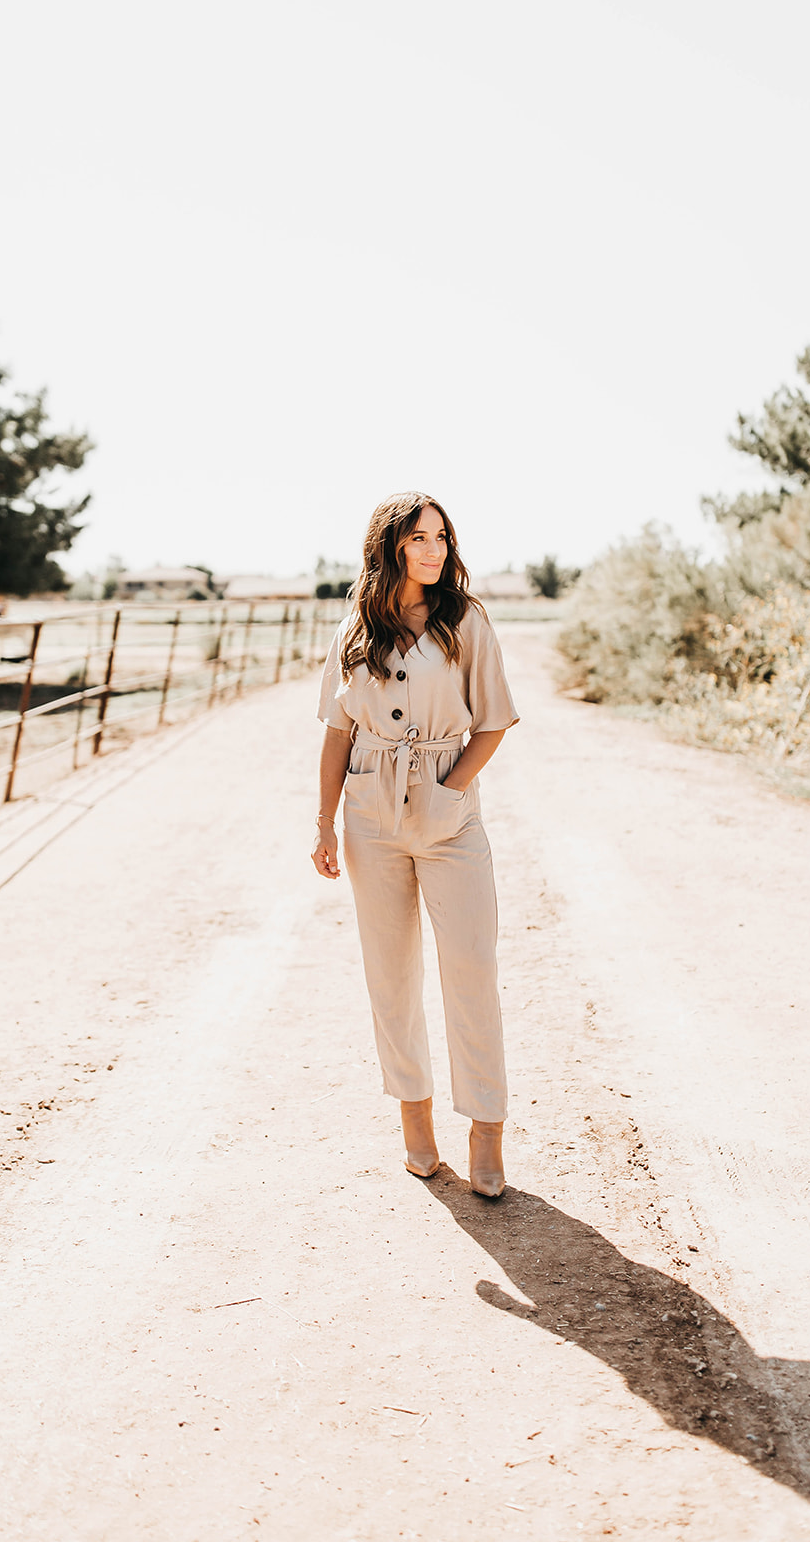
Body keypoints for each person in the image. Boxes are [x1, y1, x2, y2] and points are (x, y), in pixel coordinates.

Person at [311, 492, 519, 1196]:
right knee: (389, 975)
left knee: (470, 968)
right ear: (389, 547)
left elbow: (491, 722)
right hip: (369, 817)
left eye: (441, 538)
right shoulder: (353, 629)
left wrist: (450, 790)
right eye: (418, 539)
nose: (433, 550)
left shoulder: (466, 622)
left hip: (447, 812)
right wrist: (324, 820)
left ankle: (485, 1129)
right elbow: (337, 731)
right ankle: (415, 1124)